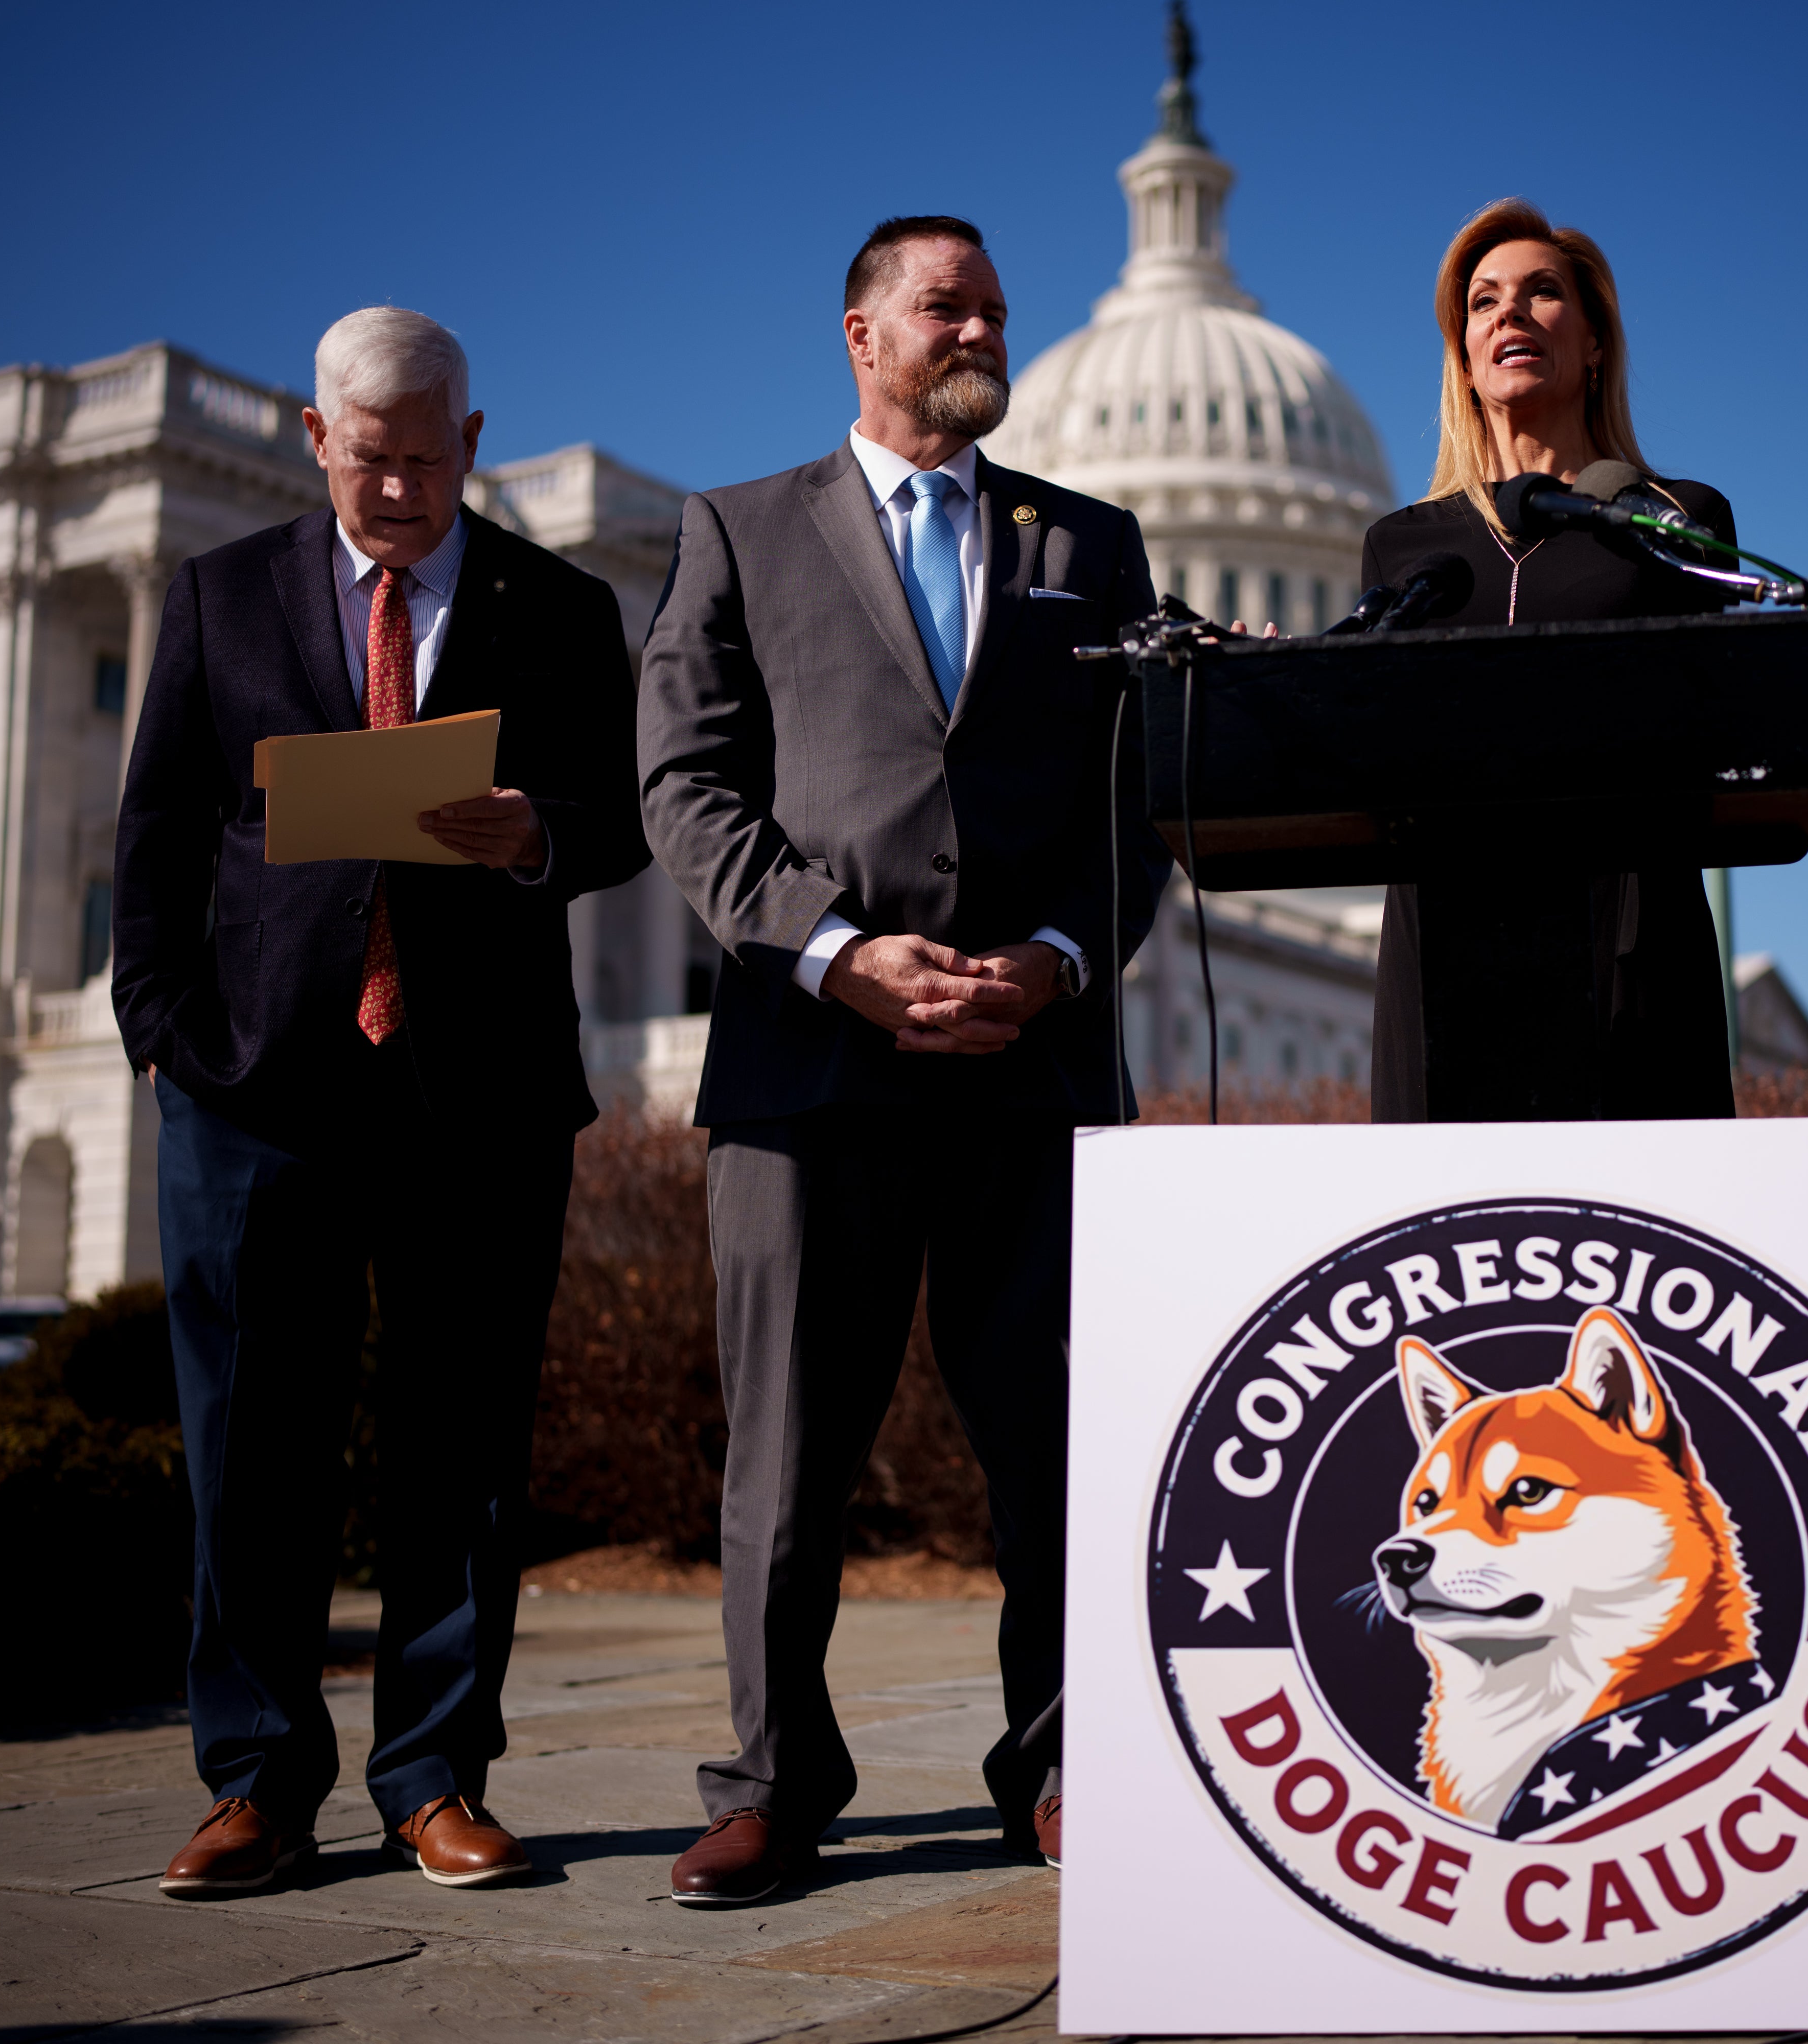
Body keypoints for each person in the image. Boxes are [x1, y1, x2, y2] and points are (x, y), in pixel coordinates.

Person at [637, 215, 1166, 1903]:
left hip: (1033, 1061)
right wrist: (841, 954)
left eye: (997, 310)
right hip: (811, 1071)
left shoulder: (1094, 544)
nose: (983, 329)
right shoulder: (737, 532)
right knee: (788, 1456)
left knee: (1059, 1447)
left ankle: (1067, 1764)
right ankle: (771, 1785)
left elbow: (1136, 808)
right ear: (862, 333)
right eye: (951, 307)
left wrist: (1061, 959)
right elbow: (687, 788)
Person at [112, 306, 649, 1897]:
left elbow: (623, 824)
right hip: (254, 1087)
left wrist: (528, 833)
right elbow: (152, 840)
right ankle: (256, 1784)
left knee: (462, 1450)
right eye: (372, 459)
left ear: (471, 446)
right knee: (248, 1447)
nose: (403, 490)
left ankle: (435, 1779)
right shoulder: (220, 597)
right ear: (314, 437)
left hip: (474, 1087)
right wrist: (163, 1032)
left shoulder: (557, 606)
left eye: (430, 459)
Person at [1360, 199, 1741, 1123]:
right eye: (1484, 304)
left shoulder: (1674, 517)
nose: (1510, 316)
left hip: (1631, 932)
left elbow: (1727, 722)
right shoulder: (1405, 546)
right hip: (1443, 939)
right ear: (1464, 352)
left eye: (1541, 294)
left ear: (1597, 340)